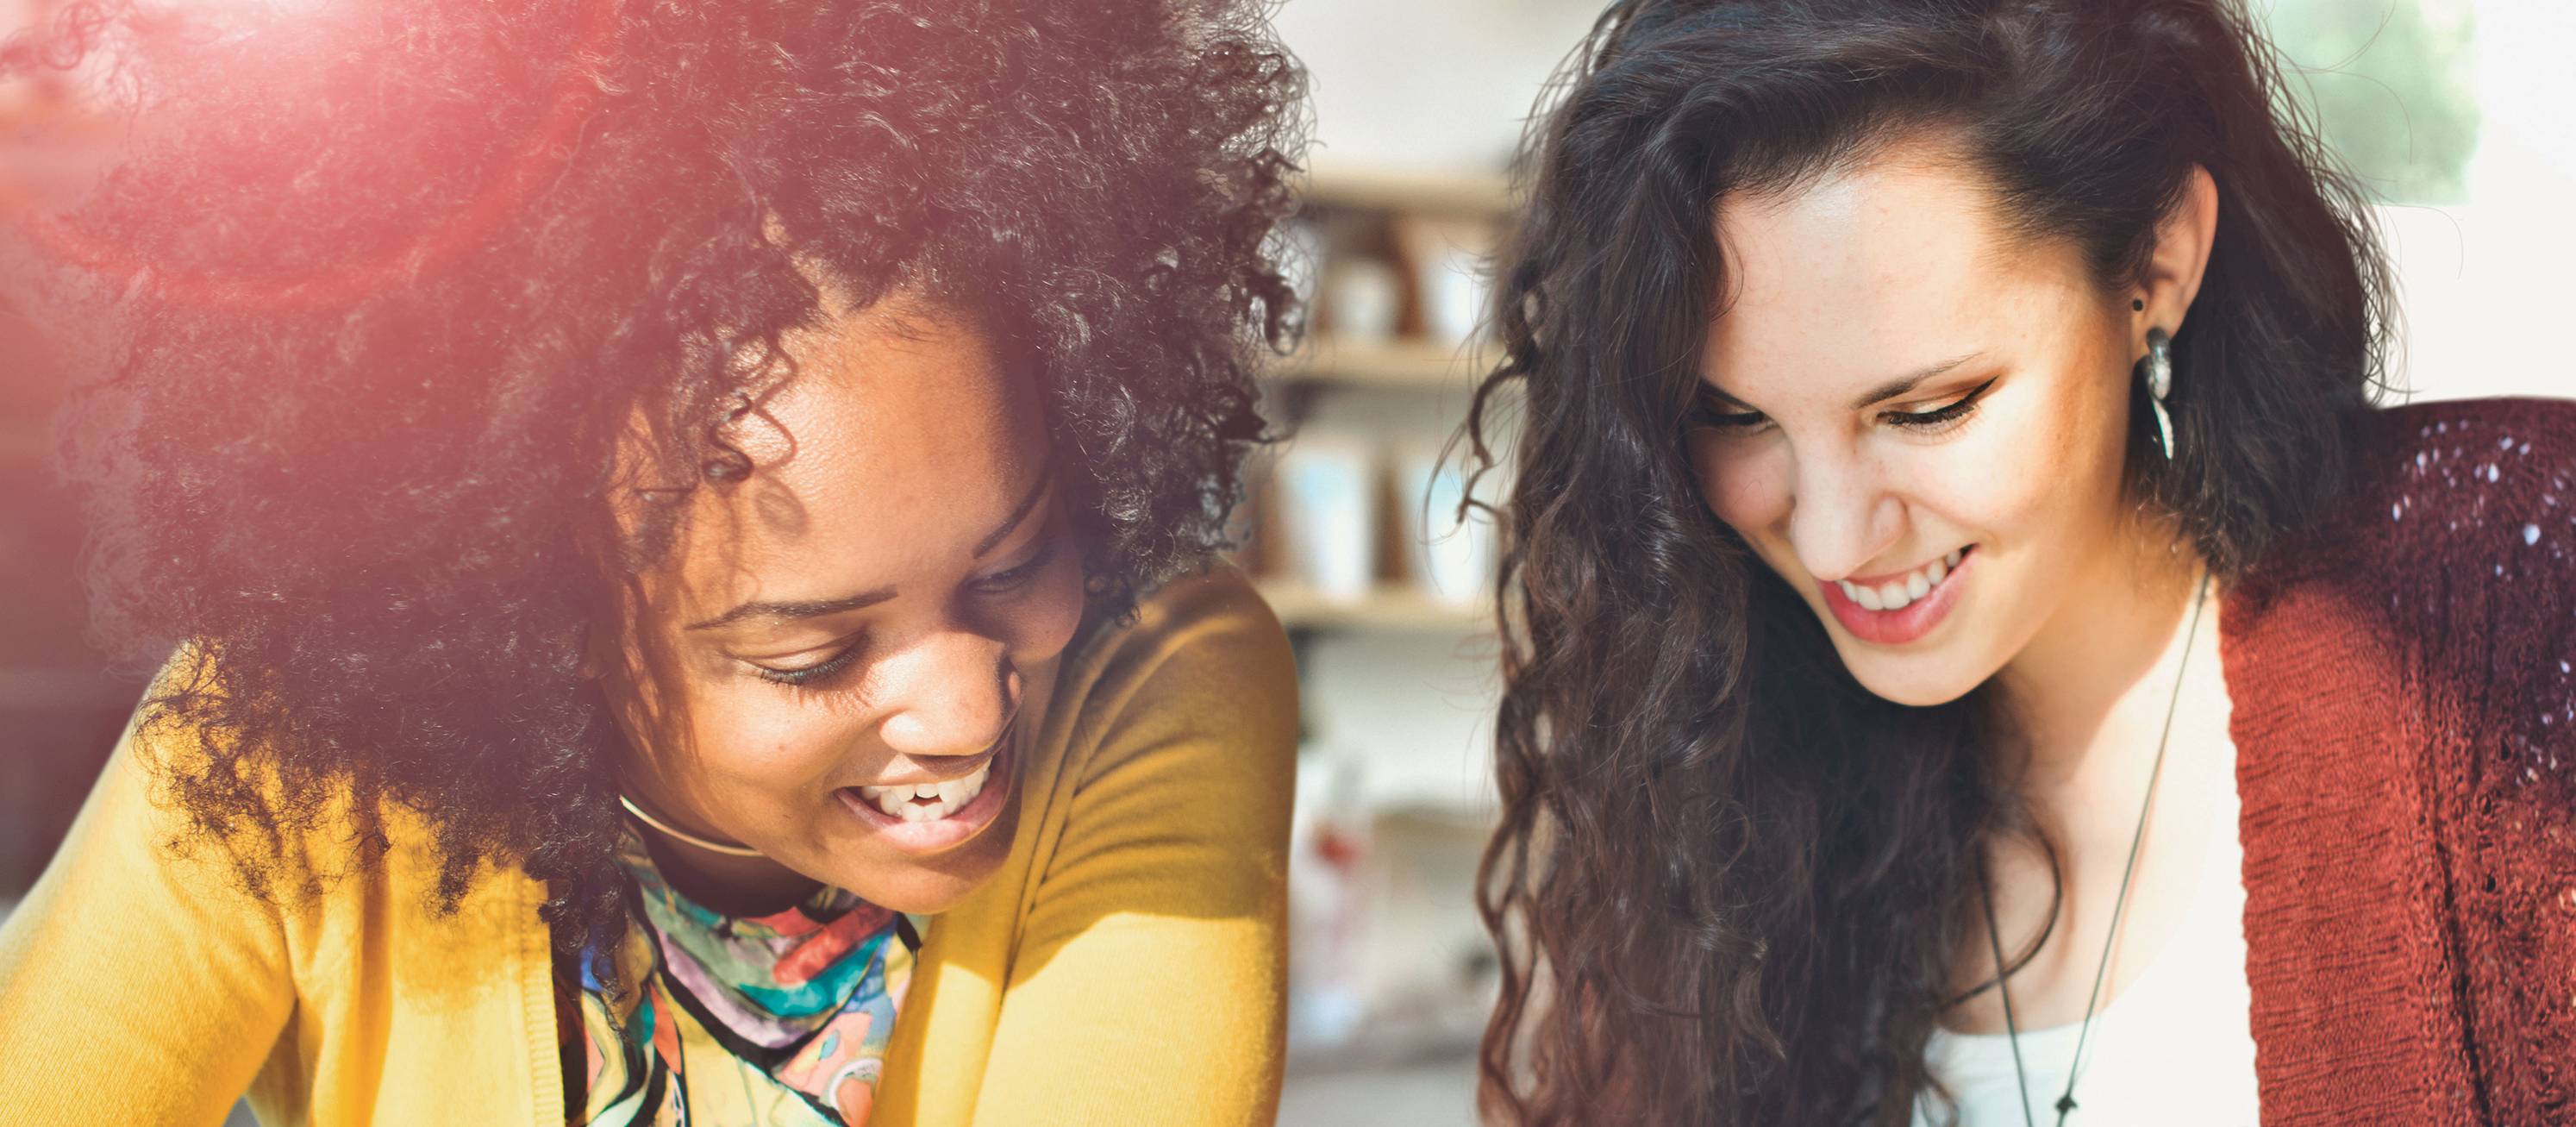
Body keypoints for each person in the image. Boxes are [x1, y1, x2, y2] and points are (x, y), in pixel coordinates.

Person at [0, 2, 1306, 1124]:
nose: (970, 711)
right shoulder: (295, 748)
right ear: (537, 609)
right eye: (811, 654)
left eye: (1014, 564)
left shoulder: (1158, 671)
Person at [1466, 1, 2576, 1124]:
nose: (1835, 540)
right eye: (1735, 416)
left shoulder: (2508, 584)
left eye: (1929, 409)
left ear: (2158, 261)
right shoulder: (1719, 780)